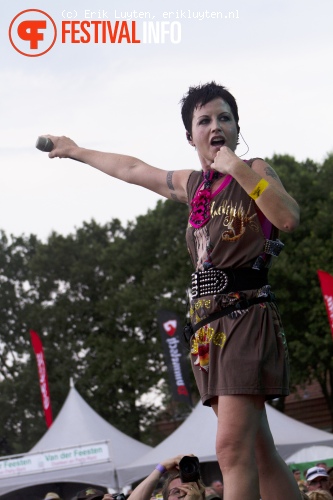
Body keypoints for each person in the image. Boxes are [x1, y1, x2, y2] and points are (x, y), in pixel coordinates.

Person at [43, 81, 300, 500]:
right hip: (207, 330)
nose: (215, 126)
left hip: (246, 314)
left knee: (230, 448)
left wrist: (238, 168)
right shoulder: (192, 184)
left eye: (224, 118)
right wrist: (76, 151)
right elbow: (132, 169)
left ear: (236, 127)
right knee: (257, 447)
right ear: (190, 135)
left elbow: (287, 217)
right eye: (204, 120)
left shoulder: (255, 168)